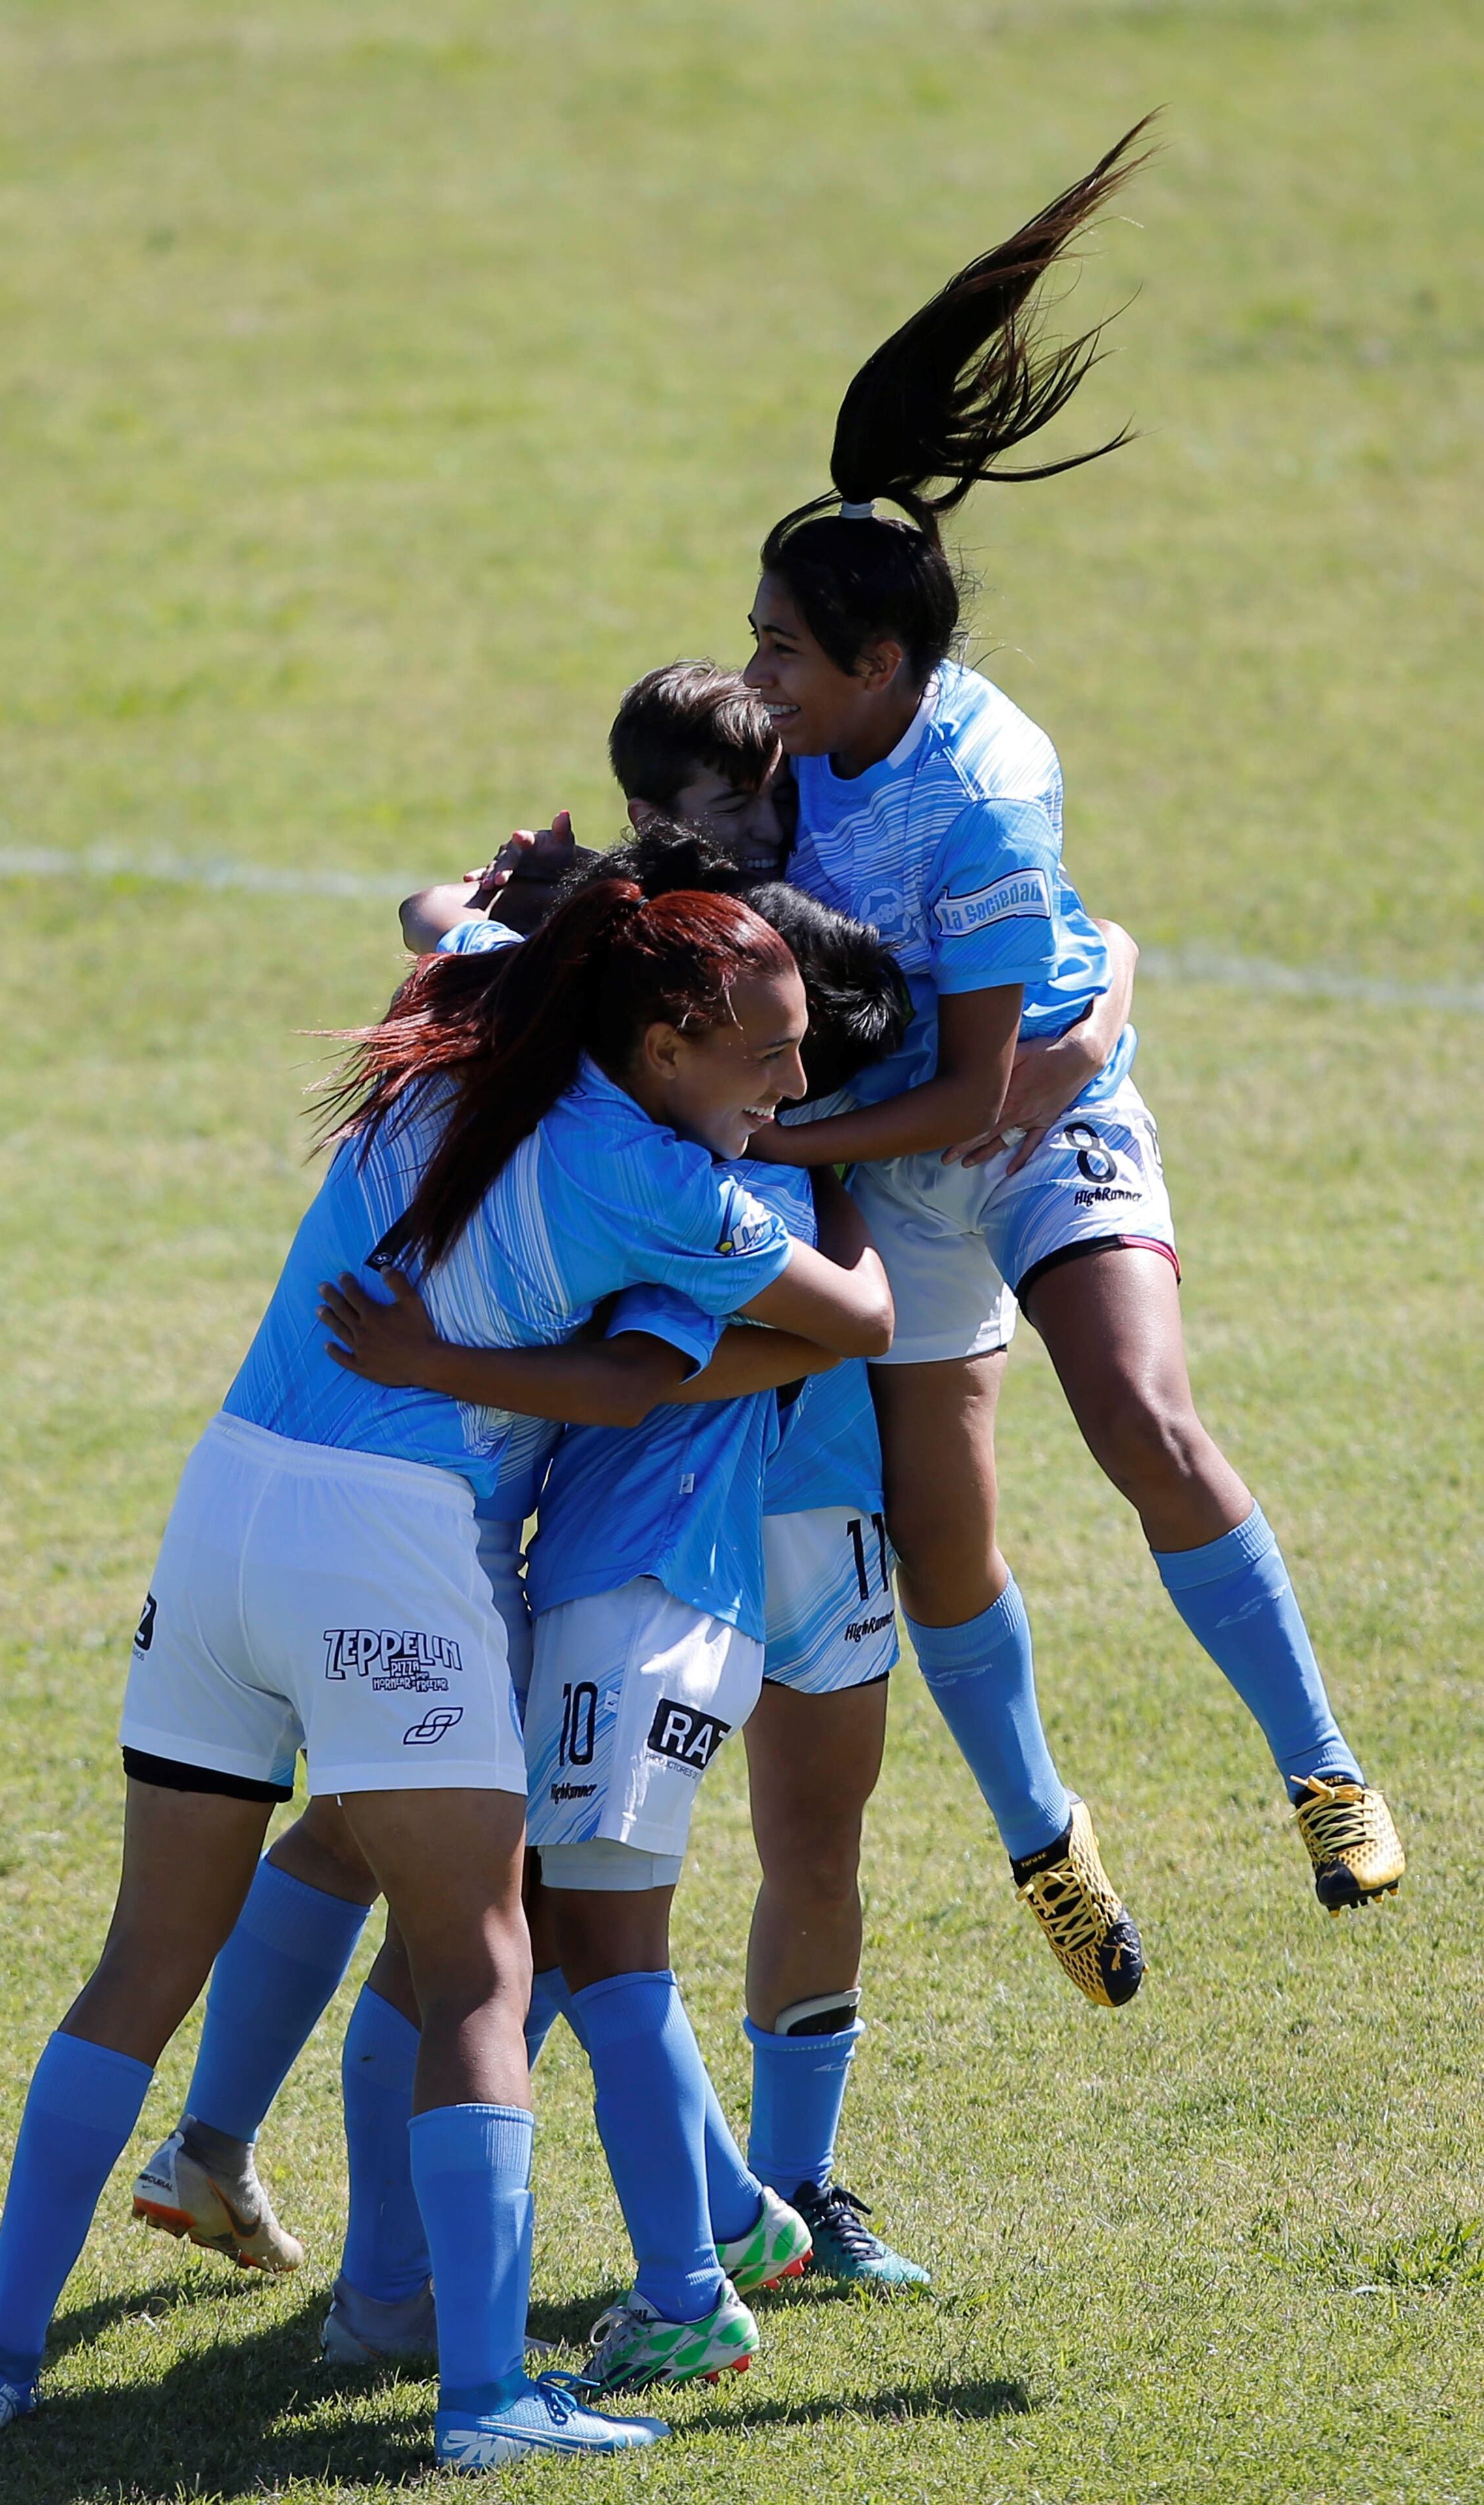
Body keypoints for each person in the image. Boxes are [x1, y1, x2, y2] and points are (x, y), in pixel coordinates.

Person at [0, 878, 891, 2470]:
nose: (787, 1089)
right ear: (664, 1042)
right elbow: (853, 1314)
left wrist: (522, 892)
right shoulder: (653, 1174)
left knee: (139, 1963)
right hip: (393, 1543)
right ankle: (483, 2396)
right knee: (480, 1968)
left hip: (221, 1509)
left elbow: (432, 906)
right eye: (768, 1059)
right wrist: (814, 1178)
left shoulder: (479, 1015)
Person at [736, 120, 1403, 2006]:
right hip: (886, 1153)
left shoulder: (985, 790)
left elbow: (988, 1088)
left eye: (786, 648)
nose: (758, 672)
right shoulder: (784, 744)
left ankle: (1325, 1767)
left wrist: (807, 1126)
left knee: (1139, 1414)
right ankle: (1050, 1845)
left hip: (1011, 1126)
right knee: (946, 1533)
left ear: (879, 664)